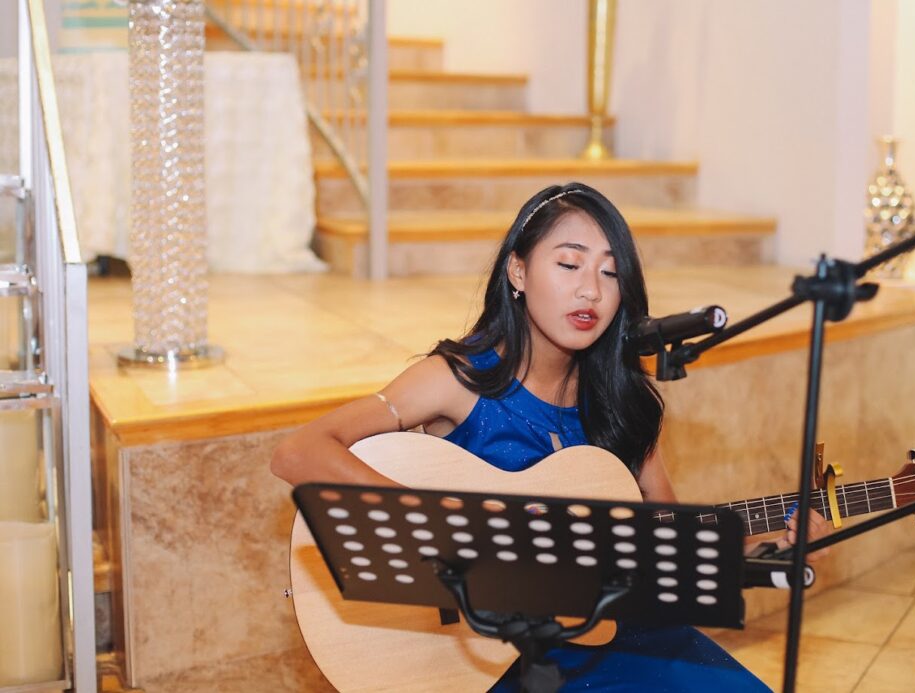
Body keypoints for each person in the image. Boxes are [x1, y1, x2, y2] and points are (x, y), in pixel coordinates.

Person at [272, 182, 829, 691]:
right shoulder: (459, 380)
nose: (591, 291)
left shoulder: (622, 404)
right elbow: (298, 451)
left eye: (611, 274)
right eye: (569, 264)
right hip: (484, 653)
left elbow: (669, 554)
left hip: (607, 636)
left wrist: (766, 550)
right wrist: (450, 530)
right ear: (517, 272)